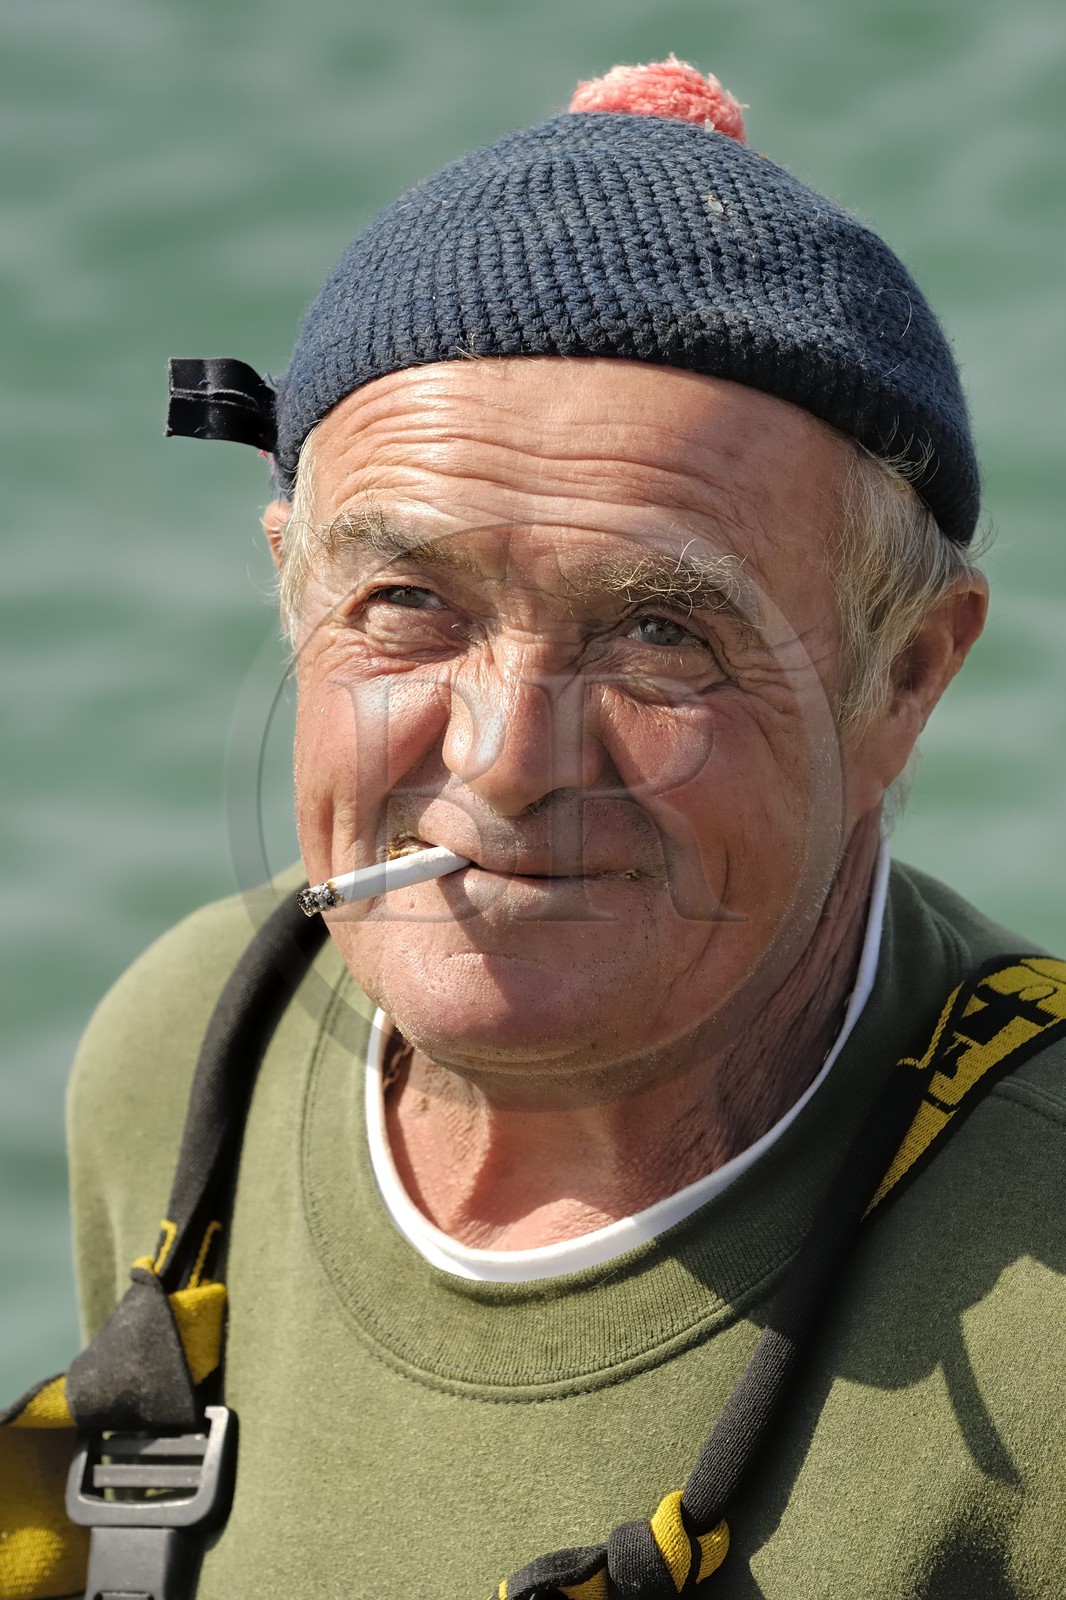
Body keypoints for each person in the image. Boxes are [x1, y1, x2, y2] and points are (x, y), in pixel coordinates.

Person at [4, 55, 1065, 1600]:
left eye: (658, 633)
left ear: (901, 675)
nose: (503, 768)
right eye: (410, 604)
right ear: (295, 593)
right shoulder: (188, 1055)